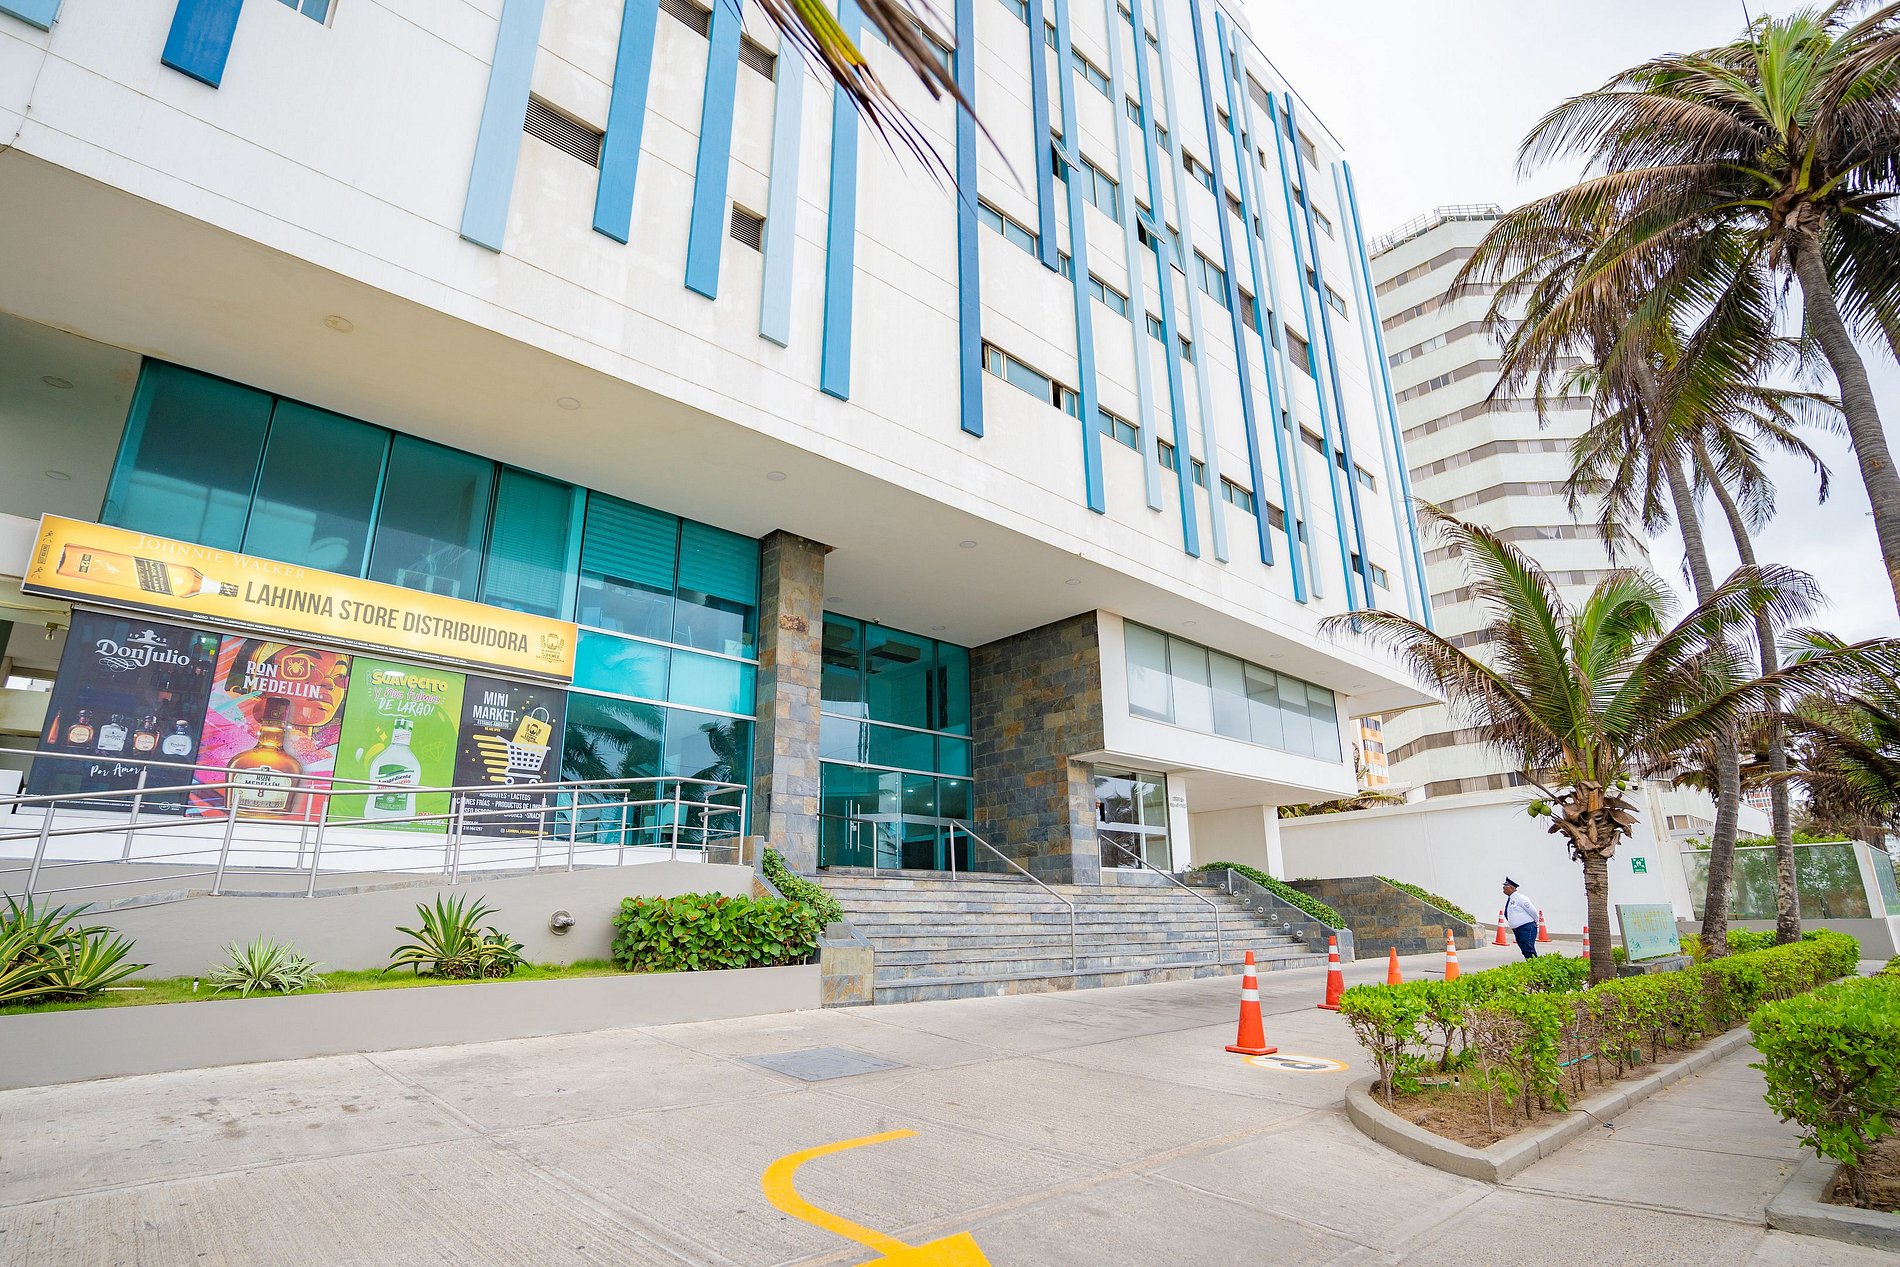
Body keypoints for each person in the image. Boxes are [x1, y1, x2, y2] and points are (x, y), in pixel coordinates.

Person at [1502, 877, 1539, 959]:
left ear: (1511, 888)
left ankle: (1535, 965)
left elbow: (1533, 911)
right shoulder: (1511, 899)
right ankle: (1531, 964)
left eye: (1505, 886)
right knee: (1524, 950)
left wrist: (1536, 922)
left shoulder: (1521, 898)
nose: (1503, 888)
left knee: (1528, 949)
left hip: (1526, 928)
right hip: (1518, 930)